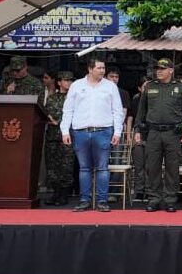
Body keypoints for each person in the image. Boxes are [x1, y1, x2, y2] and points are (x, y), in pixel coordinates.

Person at [61, 58, 124, 213]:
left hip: (103, 131)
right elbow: (68, 109)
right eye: (99, 68)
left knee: (102, 168)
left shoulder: (110, 87)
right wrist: (64, 130)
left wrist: (117, 132)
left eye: (103, 68)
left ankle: (102, 201)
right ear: (90, 69)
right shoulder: (76, 85)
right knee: (84, 168)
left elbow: (117, 110)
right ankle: (84, 200)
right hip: (81, 131)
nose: (102, 71)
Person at [135, 58, 182, 212]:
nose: (158, 71)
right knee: (152, 167)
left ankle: (170, 199)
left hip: (173, 133)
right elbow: (141, 111)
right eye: (157, 68)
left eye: (162, 68)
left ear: (171, 70)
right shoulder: (149, 86)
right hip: (153, 132)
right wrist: (138, 130)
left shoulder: (180, 87)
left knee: (173, 167)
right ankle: (154, 199)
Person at [43, 71, 75, 206]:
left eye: (70, 80)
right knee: (52, 166)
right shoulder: (51, 98)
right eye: (66, 80)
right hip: (52, 136)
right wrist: (48, 119)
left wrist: (59, 122)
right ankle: (55, 193)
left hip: (67, 137)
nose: (68, 83)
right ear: (59, 82)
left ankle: (64, 194)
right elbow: (46, 113)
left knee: (66, 166)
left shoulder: (74, 98)